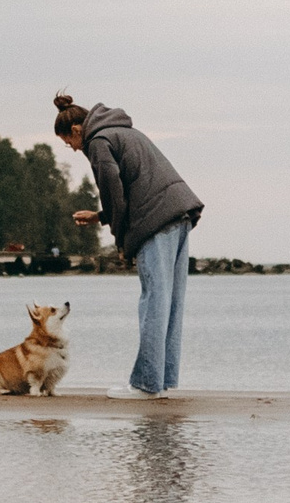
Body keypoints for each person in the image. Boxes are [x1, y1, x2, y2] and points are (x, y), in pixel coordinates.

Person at [56, 92, 202, 399]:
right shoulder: (122, 130)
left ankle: (146, 384)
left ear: (77, 131)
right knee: (169, 303)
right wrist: (100, 217)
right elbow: (133, 187)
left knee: (153, 302)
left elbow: (113, 191)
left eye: (67, 142)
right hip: (179, 214)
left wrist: (121, 243)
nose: (71, 148)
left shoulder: (97, 142)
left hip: (156, 221)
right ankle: (160, 381)